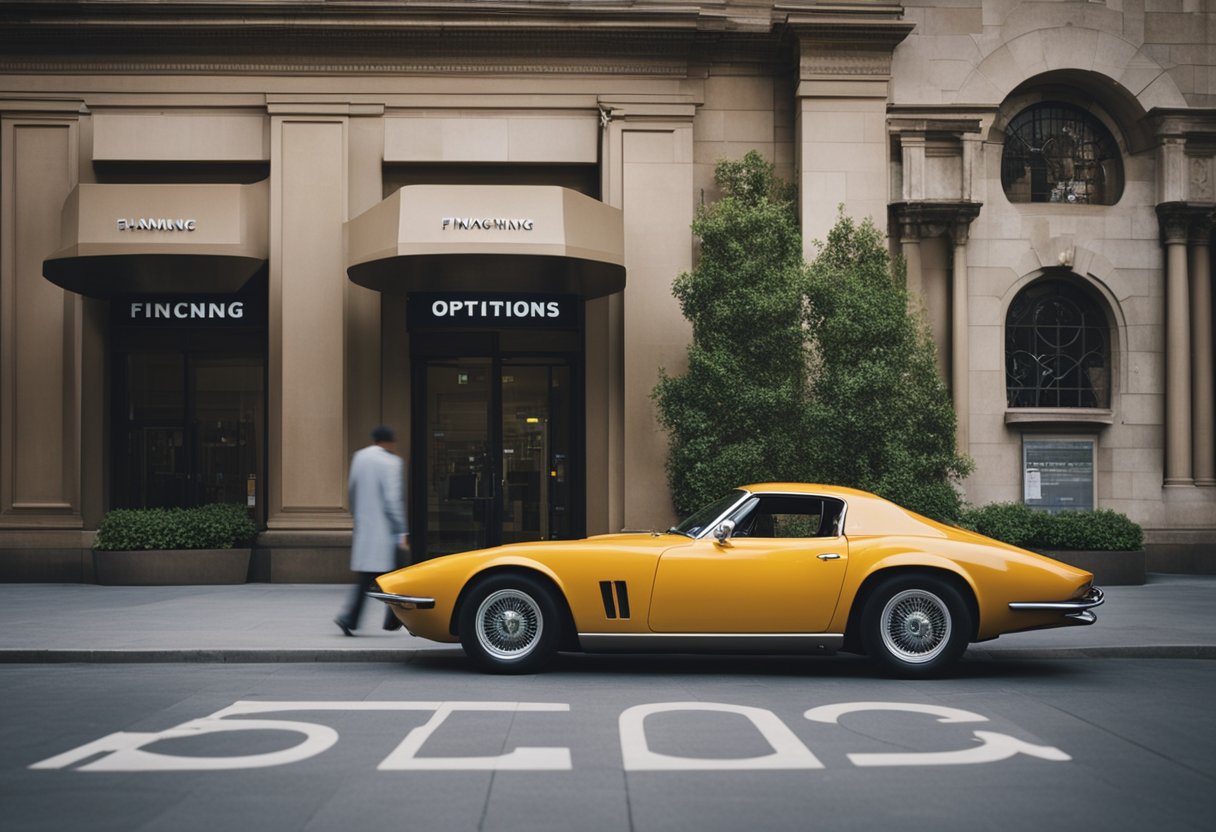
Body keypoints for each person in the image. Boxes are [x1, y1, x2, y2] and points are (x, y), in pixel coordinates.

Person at [334, 425, 408, 635]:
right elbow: (393, 500)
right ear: (389, 442)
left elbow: (352, 491)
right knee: (397, 578)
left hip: (366, 530)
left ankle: (350, 618)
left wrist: (360, 519)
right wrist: (401, 531)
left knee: (367, 579)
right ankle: (392, 621)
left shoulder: (360, 458)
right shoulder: (392, 462)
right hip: (386, 532)